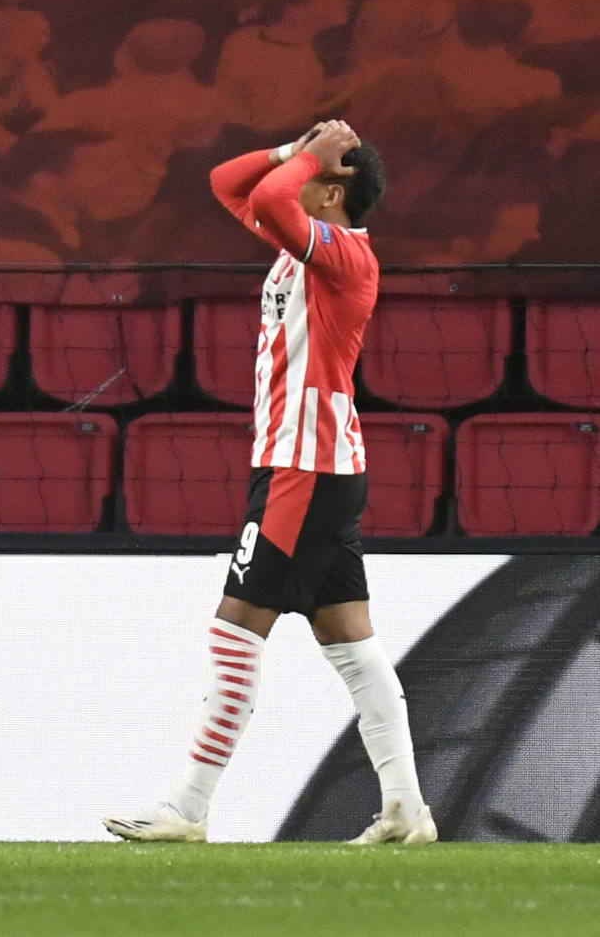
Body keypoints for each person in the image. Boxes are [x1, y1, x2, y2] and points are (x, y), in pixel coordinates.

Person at [104, 121, 437, 846]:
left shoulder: (342, 253)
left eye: (318, 173)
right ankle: (408, 811)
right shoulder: (303, 250)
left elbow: (280, 204)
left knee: (234, 630)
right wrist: (294, 152)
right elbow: (230, 183)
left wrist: (313, 159)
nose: (298, 179)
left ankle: (188, 807)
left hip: (304, 468)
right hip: (312, 464)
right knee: (352, 645)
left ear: (336, 189)